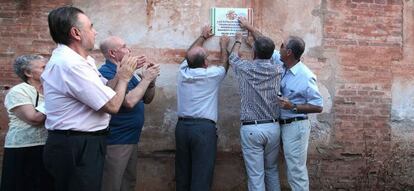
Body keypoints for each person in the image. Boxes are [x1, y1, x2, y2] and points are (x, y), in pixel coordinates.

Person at [41, 6, 139, 191]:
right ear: (76, 33)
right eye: (91, 27)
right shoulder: (70, 65)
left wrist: (119, 74)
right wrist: (125, 77)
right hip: (75, 145)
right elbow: (112, 105)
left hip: (86, 142)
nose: (95, 32)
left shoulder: (83, 61)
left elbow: (104, 90)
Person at [98, 36, 160, 191]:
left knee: (128, 182)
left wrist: (150, 83)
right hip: (116, 140)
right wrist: (145, 80)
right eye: (124, 47)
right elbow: (129, 102)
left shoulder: (128, 73)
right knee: (112, 184)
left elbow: (146, 99)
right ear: (113, 53)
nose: (129, 50)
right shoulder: (106, 72)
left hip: (131, 138)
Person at [230, 18, 284, 191]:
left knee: (256, 175)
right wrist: (251, 28)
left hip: (252, 128)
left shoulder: (245, 68)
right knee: (272, 170)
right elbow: (267, 47)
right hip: (273, 127)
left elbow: (232, 57)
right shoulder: (278, 68)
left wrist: (238, 40)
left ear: (254, 52)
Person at [175, 26, 230, 191]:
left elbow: (189, 54)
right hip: (203, 129)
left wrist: (202, 37)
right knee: (202, 173)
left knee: (182, 172)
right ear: (206, 62)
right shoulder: (212, 75)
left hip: (182, 127)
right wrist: (223, 46)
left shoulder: (182, 72)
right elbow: (225, 65)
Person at [275, 36, 323, 191]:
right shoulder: (283, 64)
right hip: (283, 125)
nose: (279, 47)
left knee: (296, 171)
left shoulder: (305, 75)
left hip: (296, 125)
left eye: (281, 45)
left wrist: (293, 106)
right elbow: (265, 45)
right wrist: (249, 27)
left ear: (288, 52)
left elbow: (318, 106)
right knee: (292, 168)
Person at [1, 55, 53, 191]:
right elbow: (34, 118)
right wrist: (55, 99)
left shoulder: (50, 89)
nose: (49, 70)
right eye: (43, 67)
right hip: (23, 149)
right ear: (28, 73)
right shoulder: (18, 91)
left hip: (47, 147)